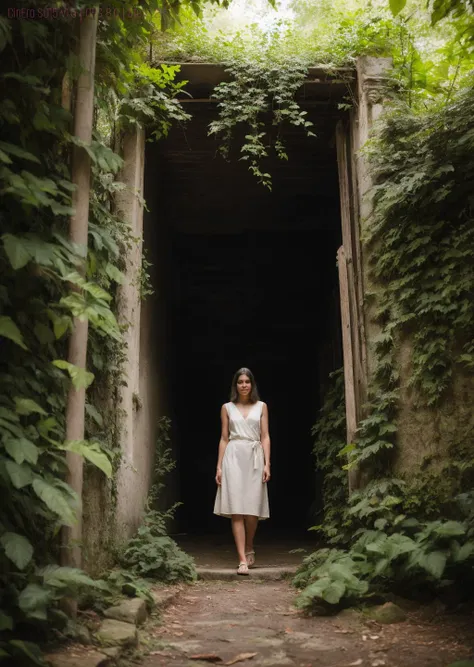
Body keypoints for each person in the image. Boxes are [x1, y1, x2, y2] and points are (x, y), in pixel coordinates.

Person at [213, 367, 270, 575]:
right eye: (240, 382)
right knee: (237, 508)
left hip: (255, 457)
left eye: (247, 381)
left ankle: (249, 545)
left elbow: (265, 436)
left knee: (252, 510)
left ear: (252, 384)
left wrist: (267, 463)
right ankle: (242, 559)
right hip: (233, 456)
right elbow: (224, 438)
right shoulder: (227, 407)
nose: (244, 385)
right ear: (235, 385)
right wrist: (219, 466)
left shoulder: (262, 406)